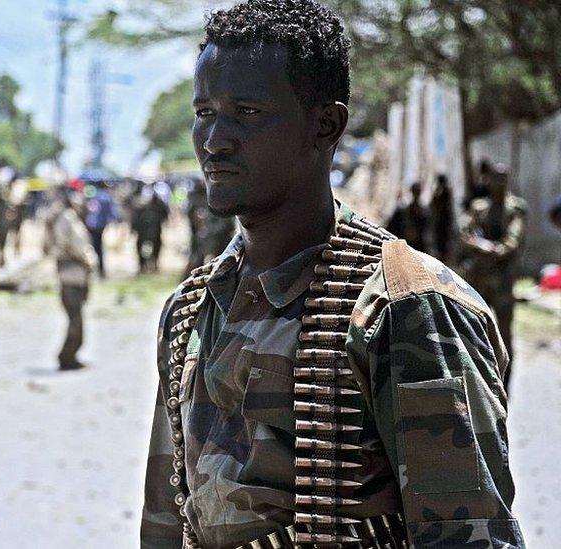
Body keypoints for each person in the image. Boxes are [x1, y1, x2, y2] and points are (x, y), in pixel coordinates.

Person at [141, 2, 522, 548]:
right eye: (204, 112)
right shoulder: (189, 312)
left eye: (247, 112)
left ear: (326, 125)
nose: (214, 140)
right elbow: (166, 519)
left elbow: (471, 536)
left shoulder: (405, 309)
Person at [460, 162, 527, 391]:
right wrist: (482, 246)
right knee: (475, 332)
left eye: (503, 177)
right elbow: (465, 234)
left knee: (505, 336)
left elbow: (512, 242)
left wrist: (494, 250)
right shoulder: (479, 208)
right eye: (495, 177)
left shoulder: (515, 208)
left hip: (503, 282)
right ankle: (480, 384)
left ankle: (504, 386)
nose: (499, 182)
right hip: (480, 281)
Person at [46, 189, 96, 371]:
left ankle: (69, 357)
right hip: (72, 276)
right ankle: (66, 357)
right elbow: (78, 245)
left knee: (76, 319)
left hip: (72, 275)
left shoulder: (66, 217)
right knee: (76, 321)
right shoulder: (67, 218)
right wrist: (89, 260)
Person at [131, 181, 170, 273]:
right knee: (140, 245)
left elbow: (165, 213)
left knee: (156, 245)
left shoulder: (159, 203)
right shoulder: (139, 203)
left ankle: (154, 263)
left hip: (155, 227)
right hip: (142, 229)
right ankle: (142, 265)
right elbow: (135, 216)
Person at [84, 181, 119, 278]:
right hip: (100, 226)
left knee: (91, 247)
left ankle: (93, 269)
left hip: (90, 224)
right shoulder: (106, 197)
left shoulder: (92, 195)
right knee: (98, 248)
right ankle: (100, 270)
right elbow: (113, 213)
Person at [385, 181, 429, 251]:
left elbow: (426, 233)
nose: (416, 194)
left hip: (417, 248)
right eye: (415, 191)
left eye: (418, 191)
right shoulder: (402, 212)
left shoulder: (424, 213)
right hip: (403, 246)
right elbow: (391, 228)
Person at [430, 173, 454, 262]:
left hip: (444, 221)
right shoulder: (441, 192)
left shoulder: (445, 192)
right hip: (441, 222)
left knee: (443, 244)